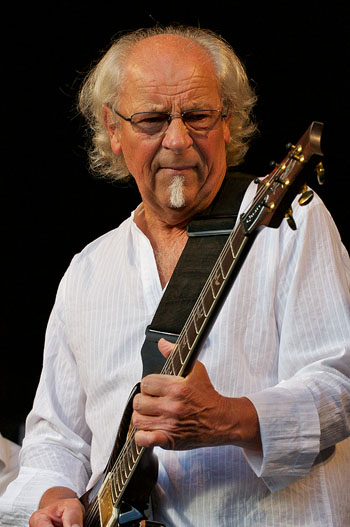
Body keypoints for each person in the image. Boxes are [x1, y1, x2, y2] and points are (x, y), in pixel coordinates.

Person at [0, 25, 349, 527]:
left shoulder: (291, 221)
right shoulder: (87, 271)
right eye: (152, 119)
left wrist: (231, 418)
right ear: (113, 130)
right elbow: (57, 435)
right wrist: (56, 498)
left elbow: (340, 381)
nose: (179, 139)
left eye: (199, 115)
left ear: (228, 122)